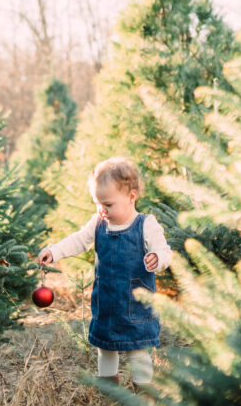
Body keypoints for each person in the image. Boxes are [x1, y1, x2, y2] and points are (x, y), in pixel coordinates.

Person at [38, 157, 172, 388]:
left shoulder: (145, 224)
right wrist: (55, 251)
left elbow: (165, 251)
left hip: (136, 305)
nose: (102, 210)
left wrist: (158, 258)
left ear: (131, 197)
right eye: (98, 204)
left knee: (137, 349)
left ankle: (145, 391)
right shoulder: (98, 223)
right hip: (107, 301)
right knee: (105, 347)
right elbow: (79, 240)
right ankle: (108, 388)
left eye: (108, 205)